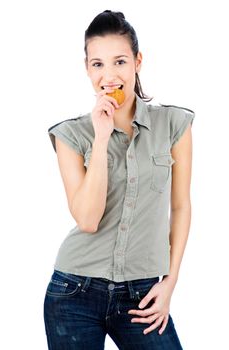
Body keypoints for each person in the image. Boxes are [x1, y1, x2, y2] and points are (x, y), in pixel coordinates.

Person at [43, 9, 195, 350]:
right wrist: (100, 137)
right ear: (87, 69)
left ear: (138, 62)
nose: (109, 75)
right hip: (73, 294)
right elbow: (87, 218)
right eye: (97, 64)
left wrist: (169, 283)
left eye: (120, 62)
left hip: (141, 295)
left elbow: (181, 206)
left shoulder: (174, 125)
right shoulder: (71, 136)